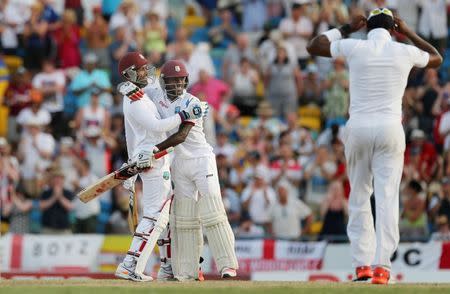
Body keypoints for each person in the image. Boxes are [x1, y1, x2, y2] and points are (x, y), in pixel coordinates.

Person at [307, 8, 442, 284]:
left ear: (367, 28)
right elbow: (437, 58)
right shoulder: (404, 51)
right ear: (393, 30)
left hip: (358, 128)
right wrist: (409, 33)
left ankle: (362, 266)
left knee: (358, 196)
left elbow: (314, 45)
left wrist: (345, 28)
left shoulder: (356, 46)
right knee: (387, 197)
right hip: (390, 129)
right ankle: (382, 267)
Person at [119, 60, 238, 281]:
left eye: (180, 80)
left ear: (186, 81)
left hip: (201, 160)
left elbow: (180, 136)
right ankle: (188, 270)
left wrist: (154, 151)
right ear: (164, 82)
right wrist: (125, 85)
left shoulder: (193, 102)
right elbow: (143, 85)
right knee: (183, 219)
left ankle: (227, 266)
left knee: (213, 211)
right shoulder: (156, 98)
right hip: (177, 165)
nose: (176, 84)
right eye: (172, 80)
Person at [114, 52, 207, 282]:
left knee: (163, 216)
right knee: (155, 215)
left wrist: (121, 85)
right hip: (151, 160)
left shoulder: (138, 92)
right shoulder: (134, 102)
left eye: (147, 68)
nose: (147, 72)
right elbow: (157, 126)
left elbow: (156, 85)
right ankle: (130, 263)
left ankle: (167, 267)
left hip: (157, 158)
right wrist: (185, 115)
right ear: (131, 74)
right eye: (142, 69)